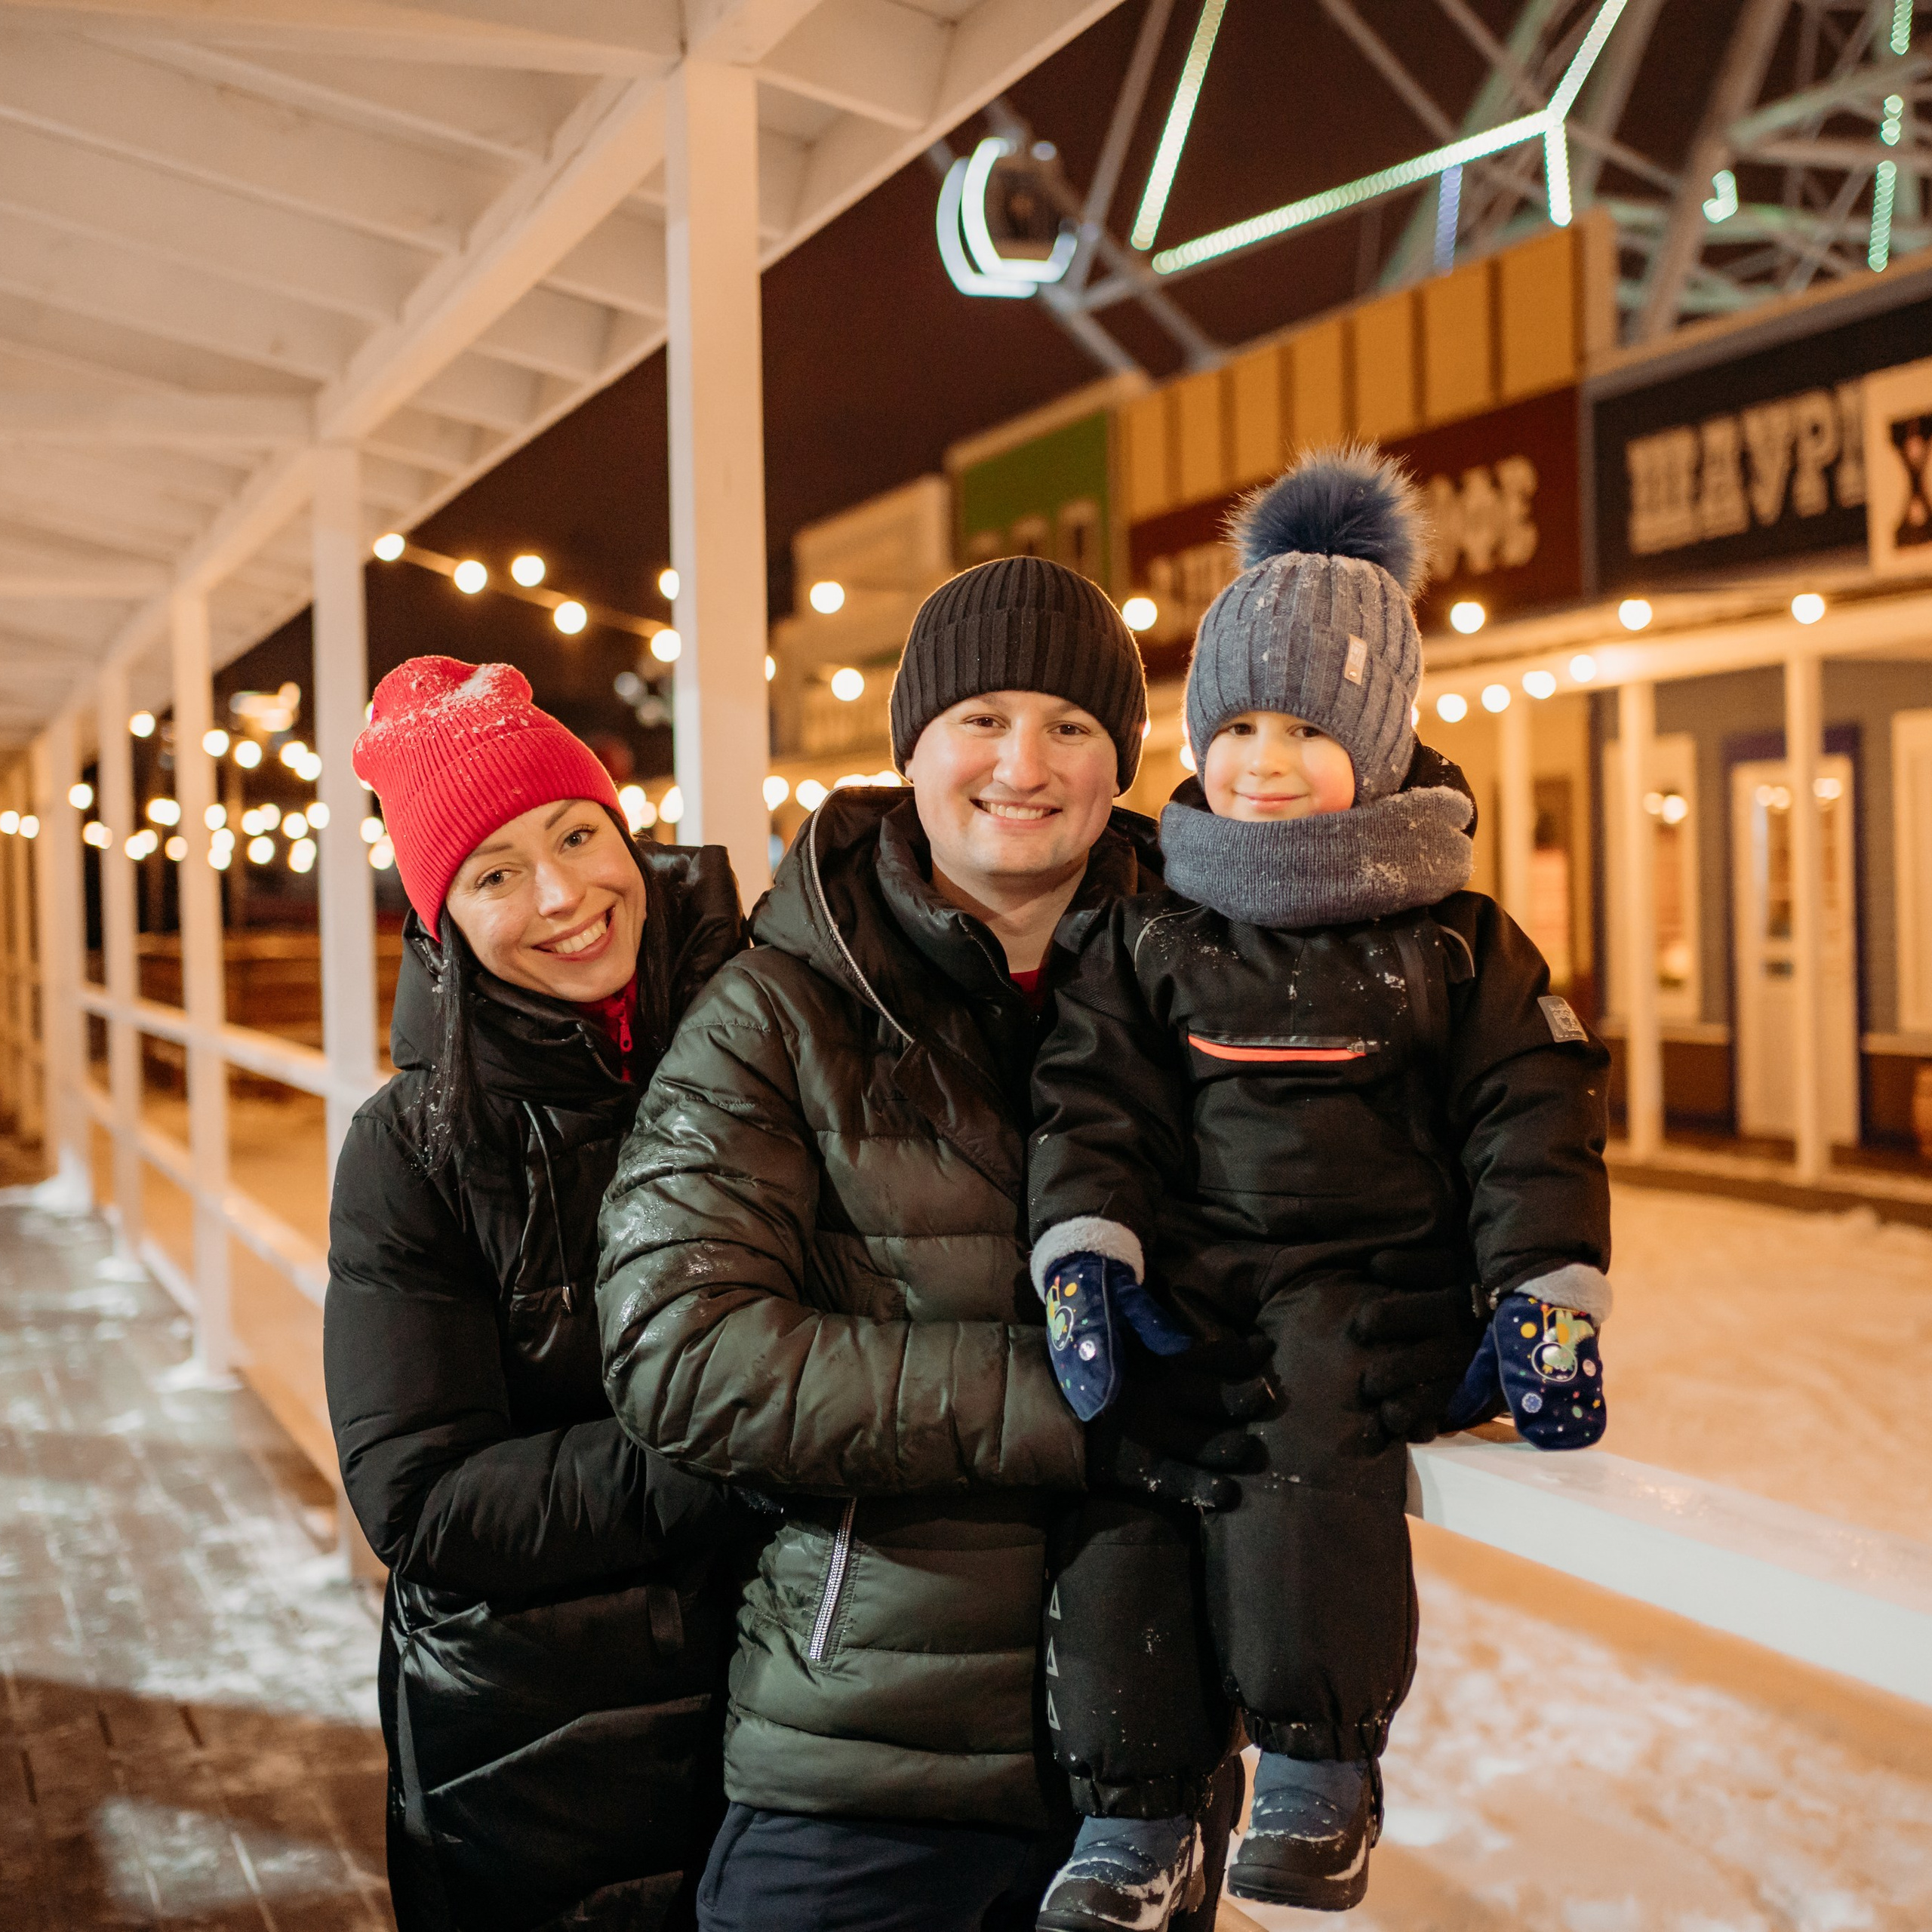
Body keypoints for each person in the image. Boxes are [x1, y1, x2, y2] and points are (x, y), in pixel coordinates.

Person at [593, 558, 1485, 1931]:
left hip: (1145, 1768)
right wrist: (1069, 1397)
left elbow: (1399, 1200)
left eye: (1072, 725)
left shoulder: (1231, 975)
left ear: (1122, 762)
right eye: (982, 718)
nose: (1025, 761)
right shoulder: (778, 1010)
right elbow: (681, 1351)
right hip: (865, 1763)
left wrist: (1416, 1322)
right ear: (914, 747)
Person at [1023, 451, 1614, 1927]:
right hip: (1193, 1286)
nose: (1263, 758)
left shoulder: (1456, 939)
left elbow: (1524, 1114)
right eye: (1234, 725)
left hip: (1369, 1297)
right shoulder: (1148, 933)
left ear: (1380, 739)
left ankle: (1313, 1758)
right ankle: (1133, 1805)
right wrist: (1087, 1254)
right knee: (1129, 1479)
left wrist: (1541, 1288)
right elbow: (1091, 1098)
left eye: (1304, 725)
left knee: (1307, 1416)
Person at [325, 657, 743, 1932]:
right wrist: (741, 1455)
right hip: (532, 1746)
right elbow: (423, 1498)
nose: (565, 895)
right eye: (496, 873)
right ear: (445, 917)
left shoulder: (761, 1042)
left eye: (578, 834)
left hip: (785, 1697)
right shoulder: (415, 1148)